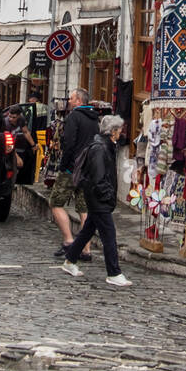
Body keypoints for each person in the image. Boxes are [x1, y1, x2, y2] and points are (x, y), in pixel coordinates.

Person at [61, 115, 132, 287]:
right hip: (98, 197)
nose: (121, 132)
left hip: (96, 197)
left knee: (87, 231)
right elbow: (99, 178)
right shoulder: (100, 148)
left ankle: (70, 261)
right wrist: (107, 196)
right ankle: (113, 272)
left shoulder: (104, 146)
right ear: (113, 131)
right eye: (119, 129)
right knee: (109, 235)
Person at [50, 89, 98, 259]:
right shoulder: (95, 119)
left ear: (78, 101)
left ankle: (69, 241)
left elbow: (69, 143)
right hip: (89, 170)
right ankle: (86, 249)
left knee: (56, 202)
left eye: (71, 98)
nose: (69, 101)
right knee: (84, 209)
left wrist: (63, 166)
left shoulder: (74, 117)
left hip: (73, 169)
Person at [5, 106, 38, 187]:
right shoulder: (6, 123)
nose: (11, 119)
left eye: (14, 117)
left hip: (11, 146)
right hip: (4, 146)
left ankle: (13, 184)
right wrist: (17, 157)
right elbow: (8, 144)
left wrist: (33, 145)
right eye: (10, 116)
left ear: (19, 116)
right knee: (11, 166)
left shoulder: (21, 119)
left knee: (18, 166)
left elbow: (26, 132)